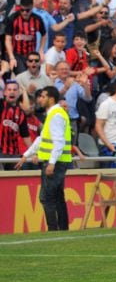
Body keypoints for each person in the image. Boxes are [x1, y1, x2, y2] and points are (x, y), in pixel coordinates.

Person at [15, 86, 71, 231]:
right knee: (57, 197)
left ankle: (53, 230)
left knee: (46, 197)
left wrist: (51, 163)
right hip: (59, 161)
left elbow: (58, 142)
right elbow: (42, 139)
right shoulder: (55, 114)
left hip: (55, 162)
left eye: (43, 96)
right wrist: (26, 155)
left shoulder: (55, 115)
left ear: (51, 99)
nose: (39, 99)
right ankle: (63, 229)